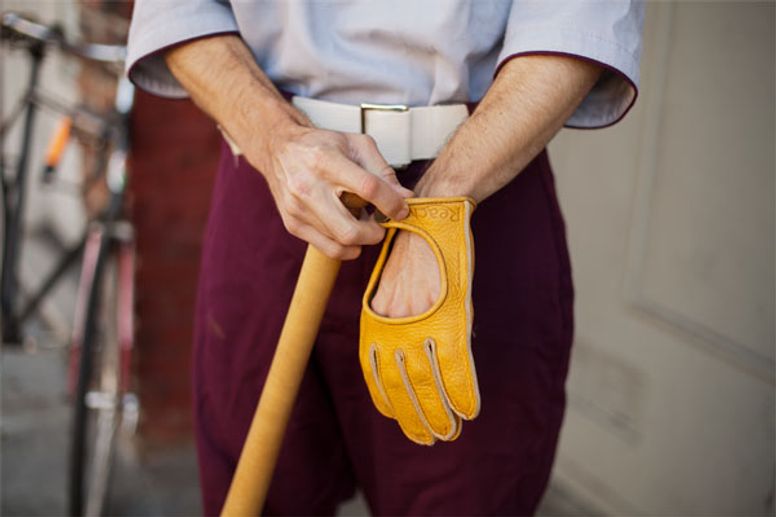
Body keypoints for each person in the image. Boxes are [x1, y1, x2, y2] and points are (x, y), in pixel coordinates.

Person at [126, 1, 644, 515]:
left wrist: (438, 207)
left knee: (463, 496)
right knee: (262, 491)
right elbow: (182, 13)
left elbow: (576, 23)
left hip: (478, 189)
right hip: (278, 183)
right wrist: (278, 141)